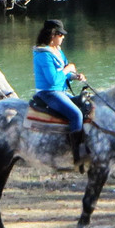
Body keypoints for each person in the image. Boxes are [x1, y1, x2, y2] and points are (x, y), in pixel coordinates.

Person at [33, 19, 87, 166]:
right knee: (76, 114)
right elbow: (52, 80)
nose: (63, 37)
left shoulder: (58, 52)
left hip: (60, 91)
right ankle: (77, 155)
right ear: (53, 35)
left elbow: (63, 75)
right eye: (61, 35)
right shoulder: (44, 54)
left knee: (87, 105)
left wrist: (75, 76)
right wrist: (68, 69)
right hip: (48, 92)